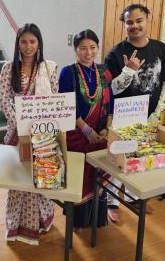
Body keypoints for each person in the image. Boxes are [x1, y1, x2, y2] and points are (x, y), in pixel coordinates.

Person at [105, 3, 165, 222]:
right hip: (123, 117)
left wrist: (157, 113)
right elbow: (112, 89)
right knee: (119, 158)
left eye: (138, 20)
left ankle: (136, 197)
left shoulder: (161, 49)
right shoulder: (115, 53)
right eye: (129, 22)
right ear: (124, 25)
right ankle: (112, 202)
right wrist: (128, 70)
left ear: (147, 20)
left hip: (151, 117)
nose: (134, 26)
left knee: (143, 158)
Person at [0, 23, 58, 244]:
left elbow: (54, 99)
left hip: (43, 134)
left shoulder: (49, 69)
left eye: (32, 41)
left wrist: (37, 125)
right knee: (18, 179)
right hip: (17, 134)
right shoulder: (8, 68)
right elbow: (4, 100)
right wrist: (21, 123)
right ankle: (16, 224)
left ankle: (41, 222)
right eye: (24, 42)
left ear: (39, 43)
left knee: (40, 181)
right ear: (18, 44)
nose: (28, 46)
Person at [58, 29, 113, 231]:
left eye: (92, 48)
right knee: (79, 177)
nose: (88, 53)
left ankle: (97, 219)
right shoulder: (68, 72)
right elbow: (66, 106)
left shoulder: (103, 72)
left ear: (98, 48)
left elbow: (111, 103)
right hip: (77, 134)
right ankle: (78, 221)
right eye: (83, 48)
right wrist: (87, 130)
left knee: (97, 174)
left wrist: (106, 129)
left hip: (100, 134)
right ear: (75, 50)